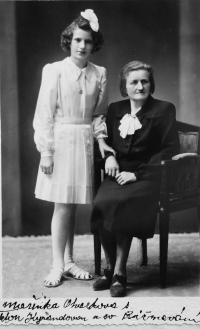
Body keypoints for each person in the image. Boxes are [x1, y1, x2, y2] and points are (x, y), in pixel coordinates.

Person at [33, 9, 114, 287]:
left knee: (73, 205)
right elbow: (44, 112)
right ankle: (57, 265)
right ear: (69, 40)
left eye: (88, 41)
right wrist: (46, 151)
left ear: (94, 44)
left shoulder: (99, 73)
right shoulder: (54, 70)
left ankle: (68, 261)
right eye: (77, 40)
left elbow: (98, 115)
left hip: (85, 143)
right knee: (63, 205)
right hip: (61, 141)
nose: (82, 46)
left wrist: (101, 140)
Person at [91, 60, 180, 297]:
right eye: (134, 82)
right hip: (118, 172)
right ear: (125, 86)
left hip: (147, 176)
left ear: (151, 84)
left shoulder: (164, 109)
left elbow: (169, 149)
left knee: (124, 204)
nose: (140, 86)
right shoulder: (115, 109)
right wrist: (109, 157)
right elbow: (104, 142)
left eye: (144, 81)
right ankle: (109, 268)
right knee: (101, 204)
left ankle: (120, 273)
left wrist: (137, 174)